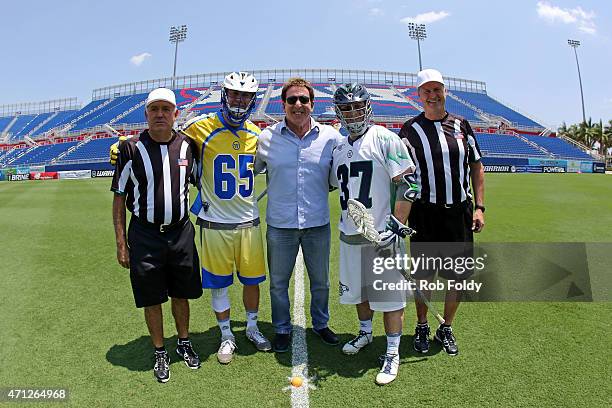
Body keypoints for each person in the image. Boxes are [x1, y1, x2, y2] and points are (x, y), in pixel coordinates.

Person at [111, 88, 203, 383]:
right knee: (152, 298)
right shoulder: (130, 148)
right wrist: (121, 242)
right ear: (146, 114)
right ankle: (160, 350)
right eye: (155, 109)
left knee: (181, 293)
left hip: (180, 233)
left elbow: (201, 183)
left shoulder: (189, 146)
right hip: (145, 235)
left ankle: (184, 341)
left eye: (166, 109)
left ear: (176, 114)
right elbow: (118, 198)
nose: (160, 114)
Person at [330, 83, 417, 385]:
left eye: (357, 106)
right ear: (338, 112)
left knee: (390, 298)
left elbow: (409, 184)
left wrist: (395, 224)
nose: (352, 113)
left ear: (367, 107)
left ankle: (392, 352)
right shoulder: (339, 146)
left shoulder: (384, 138)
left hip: (382, 236)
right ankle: (366, 333)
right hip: (350, 234)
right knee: (358, 292)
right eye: (346, 108)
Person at [181, 72, 271, 364]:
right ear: (224, 94)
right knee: (219, 284)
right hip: (214, 223)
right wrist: (129, 145)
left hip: (248, 223)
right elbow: (169, 141)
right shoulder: (201, 127)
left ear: (253, 99)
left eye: (245, 95)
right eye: (234, 93)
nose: (239, 100)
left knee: (252, 282)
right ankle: (226, 335)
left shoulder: (258, 135)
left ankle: (253, 328)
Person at [398, 69, 486, 356]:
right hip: (425, 213)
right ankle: (422, 325)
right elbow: (401, 174)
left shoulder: (462, 125)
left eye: (437, 89)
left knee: (457, 277)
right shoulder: (410, 129)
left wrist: (480, 207)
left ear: (444, 91)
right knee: (424, 276)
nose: (433, 95)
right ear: (419, 96)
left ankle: (446, 327)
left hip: (459, 212)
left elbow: (476, 166)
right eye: (427, 91)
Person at [255, 78, 341, 352]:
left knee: (321, 282)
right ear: (283, 104)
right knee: (278, 283)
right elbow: (249, 170)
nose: (298, 105)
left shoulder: (331, 137)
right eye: (292, 100)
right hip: (280, 225)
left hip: (317, 224)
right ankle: (281, 327)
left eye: (304, 99)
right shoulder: (266, 138)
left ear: (312, 104)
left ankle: (320, 323)